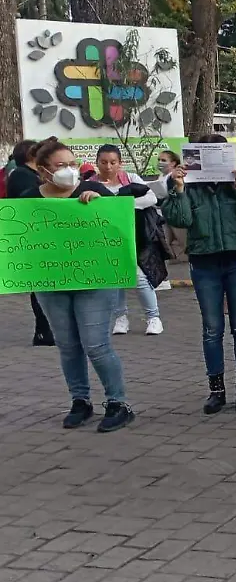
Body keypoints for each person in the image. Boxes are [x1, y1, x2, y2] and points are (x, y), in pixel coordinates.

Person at [21, 138, 140, 432]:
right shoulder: (28, 199)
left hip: (95, 281)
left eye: (73, 164)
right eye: (61, 165)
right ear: (43, 171)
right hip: (51, 282)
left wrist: (101, 207)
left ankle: (118, 403)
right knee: (67, 345)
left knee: (96, 345)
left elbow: (122, 232)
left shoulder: (95, 191)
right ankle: (80, 401)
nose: (70, 170)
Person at [162, 134, 236, 414]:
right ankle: (216, 390)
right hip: (204, 262)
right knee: (212, 329)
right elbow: (180, 219)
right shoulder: (188, 185)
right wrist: (178, 188)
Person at [94, 145, 165, 336]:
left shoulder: (131, 178)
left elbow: (151, 198)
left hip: (134, 237)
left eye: (113, 162)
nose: (108, 166)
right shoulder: (90, 183)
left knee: (140, 277)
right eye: (104, 162)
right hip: (103, 239)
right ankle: (120, 317)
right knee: (114, 279)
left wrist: (124, 206)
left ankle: (153, 317)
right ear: (97, 163)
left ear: (120, 163)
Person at [8, 139, 54, 347]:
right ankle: (43, 331)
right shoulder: (22, 176)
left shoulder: (29, 175)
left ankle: (47, 329)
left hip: (41, 237)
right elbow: (32, 205)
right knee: (41, 286)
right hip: (34, 238)